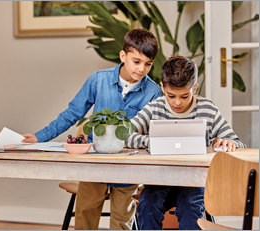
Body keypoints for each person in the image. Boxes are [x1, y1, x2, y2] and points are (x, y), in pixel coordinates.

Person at [22, 29, 163, 230]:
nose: (142, 69)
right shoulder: (98, 80)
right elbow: (73, 113)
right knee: (85, 217)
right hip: (94, 163)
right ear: (123, 56)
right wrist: (39, 137)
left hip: (128, 167)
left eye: (148, 64)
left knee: (123, 222)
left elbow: (152, 132)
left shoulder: (154, 92)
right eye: (136, 61)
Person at [125, 55, 246, 230]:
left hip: (194, 182)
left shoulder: (208, 109)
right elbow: (126, 135)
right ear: (163, 87)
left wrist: (227, 142)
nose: (177, 102)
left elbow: (237, 142)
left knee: (191, 210)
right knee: (147, 207)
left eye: (184, 96)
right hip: (158, 179)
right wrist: (151, 142)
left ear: (194, 88)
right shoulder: (155, 107)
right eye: (171, 95)